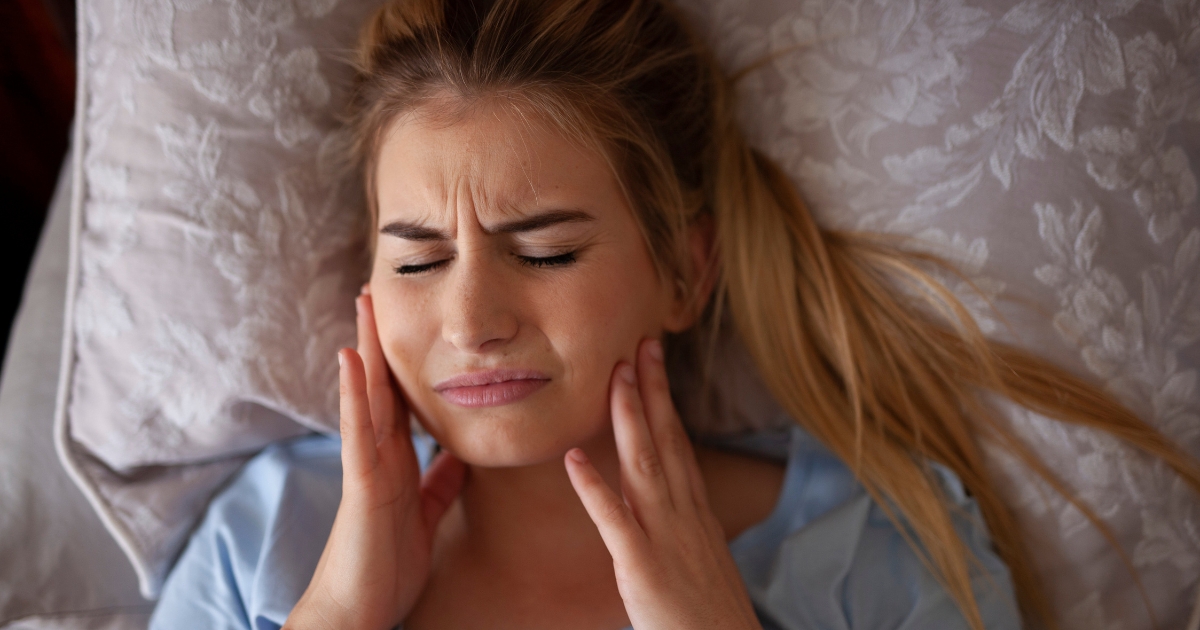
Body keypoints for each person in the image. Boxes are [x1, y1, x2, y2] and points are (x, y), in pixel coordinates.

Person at [149, 0, 1200, 628]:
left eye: (548, 251)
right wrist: (337, 615)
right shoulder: (266, 541)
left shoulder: (874, 546)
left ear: (685, 270)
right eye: (418, 260)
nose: (472, 319)